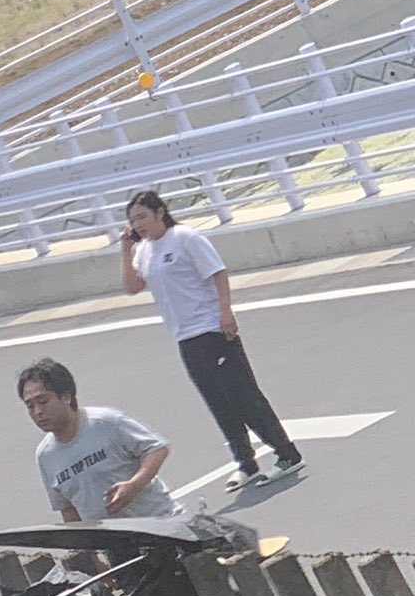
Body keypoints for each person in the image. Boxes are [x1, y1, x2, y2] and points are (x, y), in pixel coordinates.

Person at [120, 189, 302, 491]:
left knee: (243, 396)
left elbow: (217, 272)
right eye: (132, 220)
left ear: (160, 212)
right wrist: (126, 250)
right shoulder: (144, 250)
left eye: (142, 216)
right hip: (184, 336)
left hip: (212, 328)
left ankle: (286, 454)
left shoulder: (185, 238)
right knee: (218, 403)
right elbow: (131, 286)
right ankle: (246, 463)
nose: (137, 224)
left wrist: (226, 312)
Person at [18, 357, 180, 524]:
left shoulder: (106, 422)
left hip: (162, 525)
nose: (38, 411)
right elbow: (67, 510)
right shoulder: (45, 455)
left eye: (43, 402)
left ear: (66, 397)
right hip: (114, 542)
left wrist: (134, 486)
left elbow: (157, 449)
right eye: (30, 406)